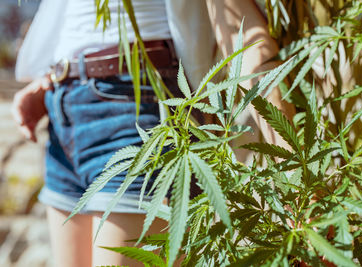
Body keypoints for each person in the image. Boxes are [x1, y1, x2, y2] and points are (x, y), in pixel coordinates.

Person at [12, 0, 294, 266]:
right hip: (63, 108)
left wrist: (293, 174)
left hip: (141, 104)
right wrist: (49, 80)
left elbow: (244, 35)